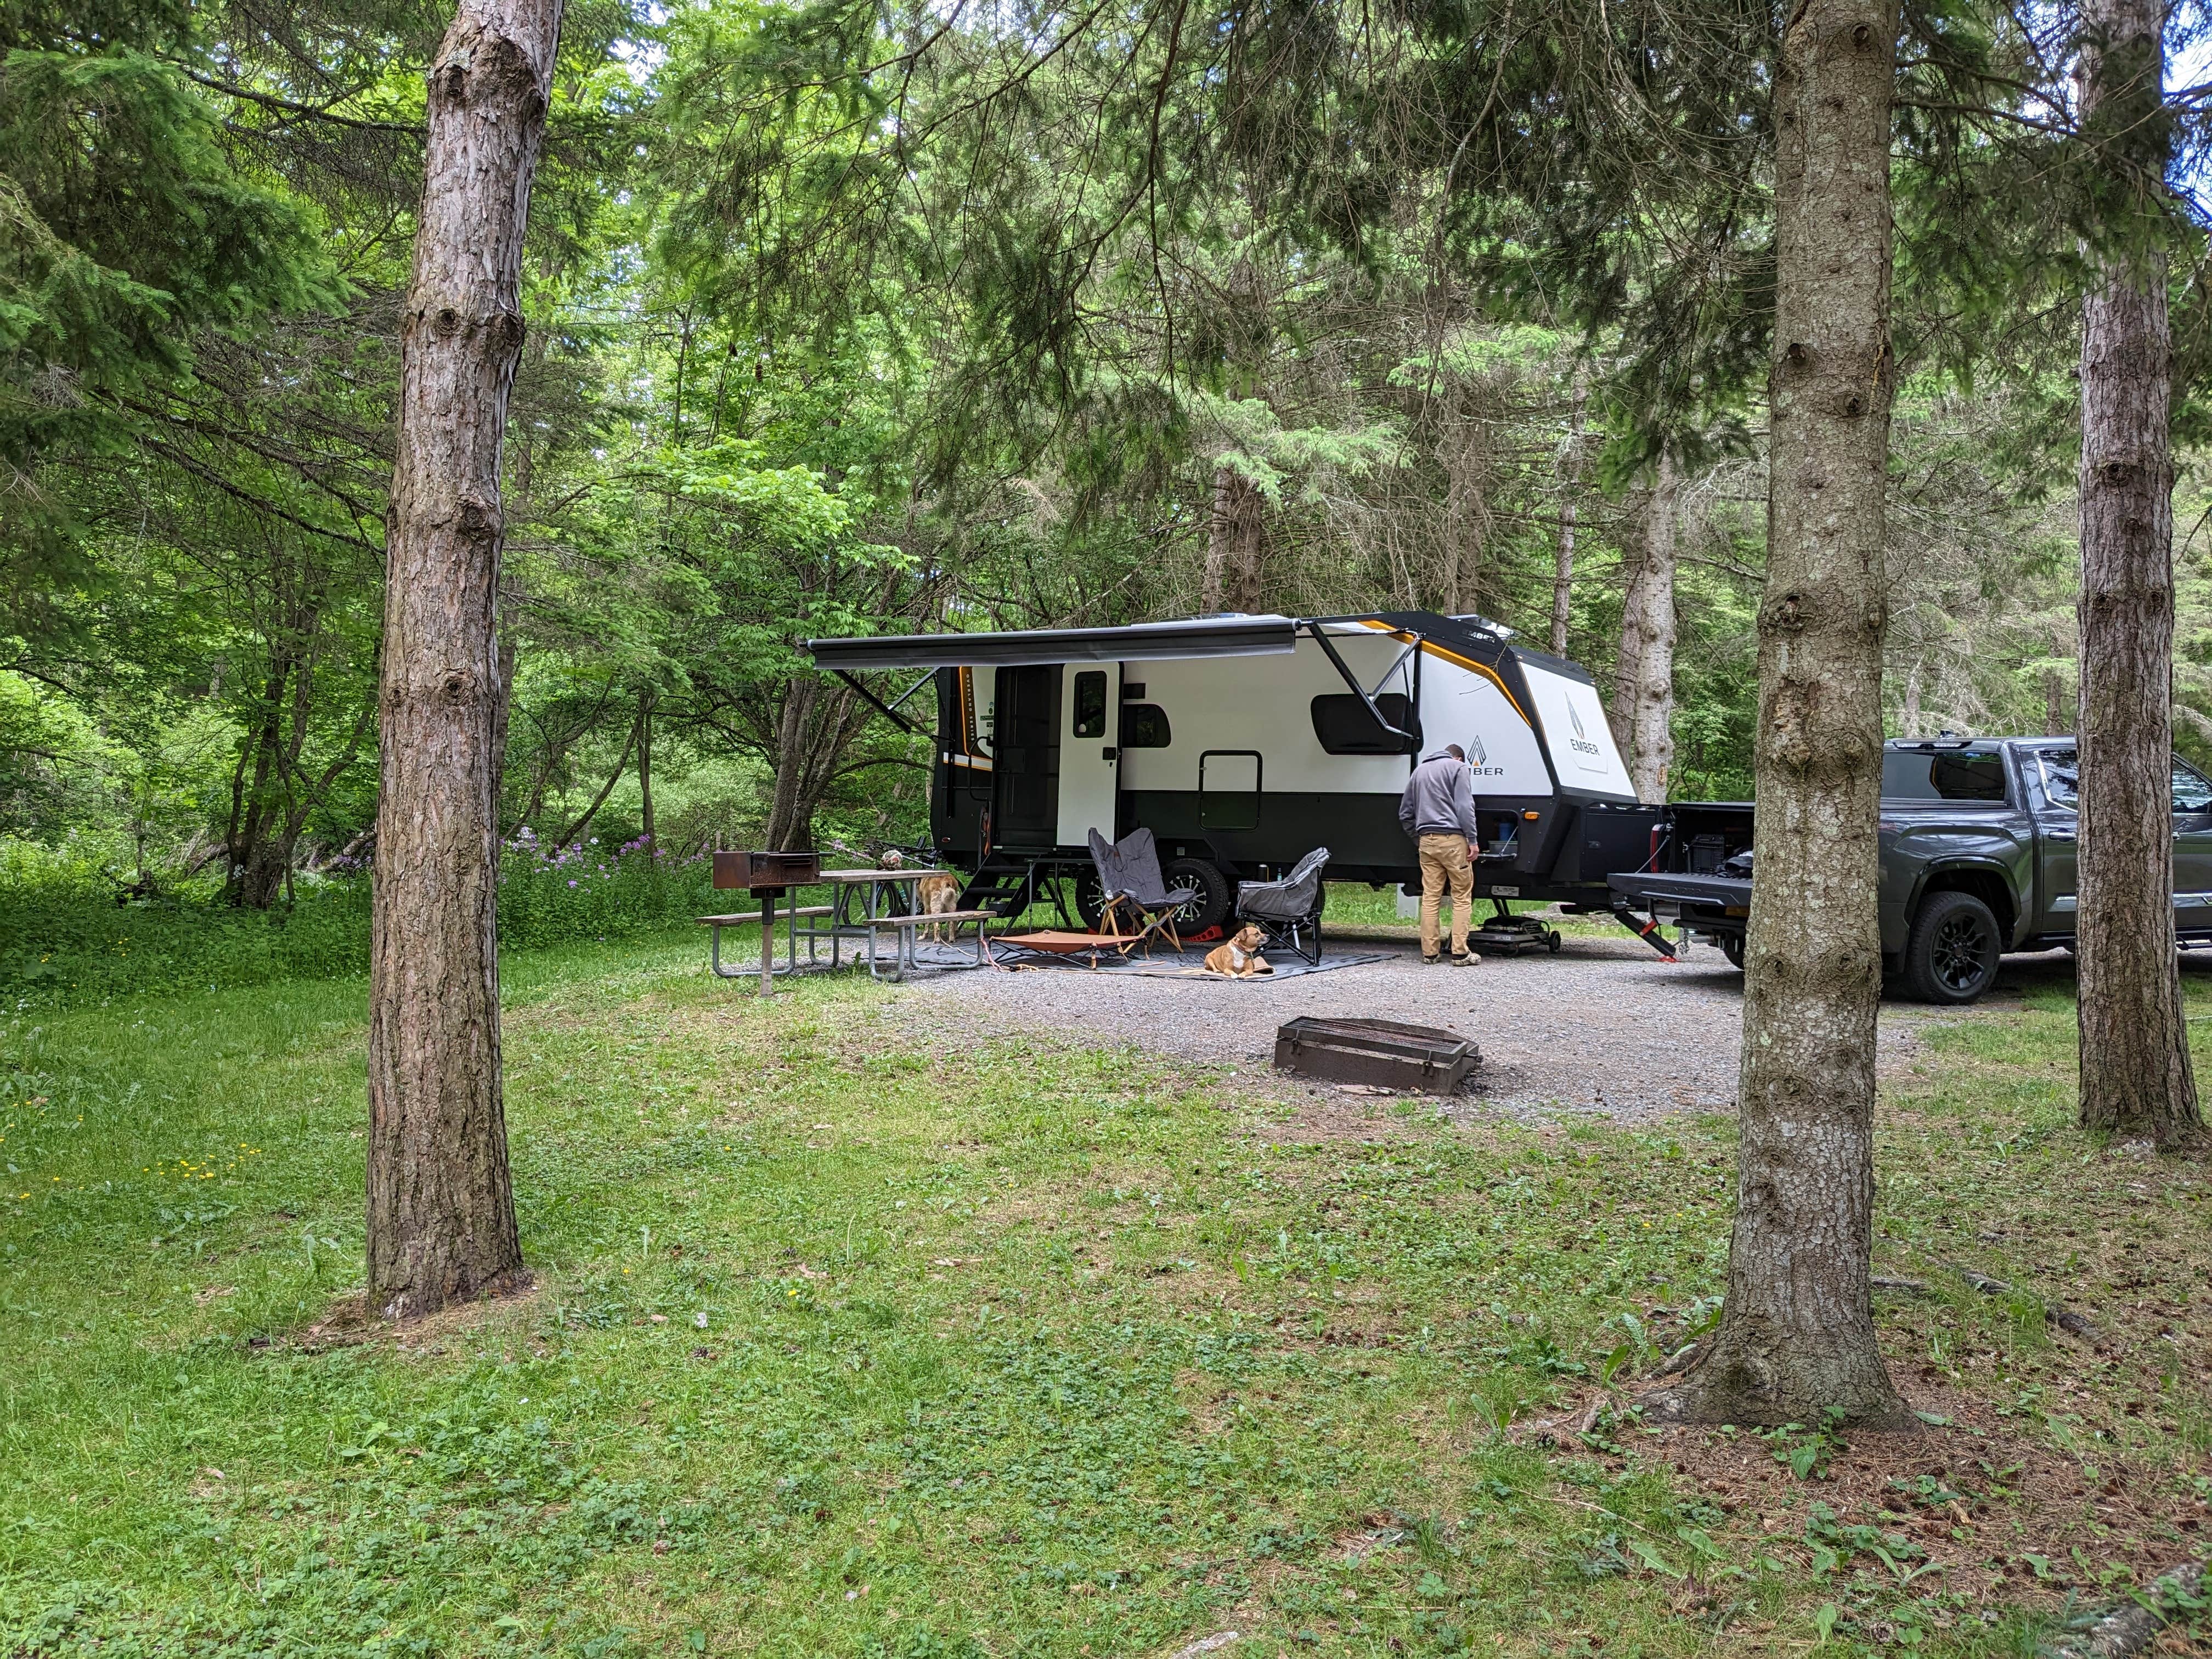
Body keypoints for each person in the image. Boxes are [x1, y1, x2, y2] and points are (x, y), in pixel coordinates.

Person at [1397, 743, 1481, 965]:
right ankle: (1460, 953)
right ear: (1459, 758)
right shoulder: (1458, 768)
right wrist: (1472, 840)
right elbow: (1465, 806)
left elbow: (1405, 813)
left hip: (1427, 841)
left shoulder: (1419, 771)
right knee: (1462, 897)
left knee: (1431, 897)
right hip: (1454, 841)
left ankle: (1430, 953)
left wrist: (1419, 839)